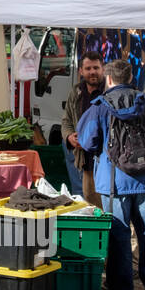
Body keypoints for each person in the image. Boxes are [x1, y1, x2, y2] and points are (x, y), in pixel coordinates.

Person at [76, 58, 145, 290]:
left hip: (114, 181)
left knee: (119, 232)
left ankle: (121, 284)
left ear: (109, 79)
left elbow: (87, 141)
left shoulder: (99, 106)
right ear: (130, 77)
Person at [60, 50, 106, 202]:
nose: (92, 72)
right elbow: (66, 120)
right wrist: (69, 136)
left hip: (105, 159)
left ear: (103, 69)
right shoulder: (76, 91)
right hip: (85, 160)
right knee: (89, 199)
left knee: (107, 204)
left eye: (96, 68)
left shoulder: (109, 91)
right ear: (81, 71)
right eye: (88, 68)